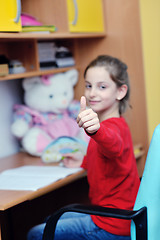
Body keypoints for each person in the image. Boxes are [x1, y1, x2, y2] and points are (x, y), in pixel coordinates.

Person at [27, 55, 140, 240]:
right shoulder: (119, 123)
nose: (92, 93)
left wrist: (96, 130)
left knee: (37, 234)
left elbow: (113, 145)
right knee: (50, 220)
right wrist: (84, 161)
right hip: (118, 217)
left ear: (120, 92)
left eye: (102, 87)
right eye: (88, 85)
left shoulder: (111, 129)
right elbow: (109, 158)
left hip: (111, 224)